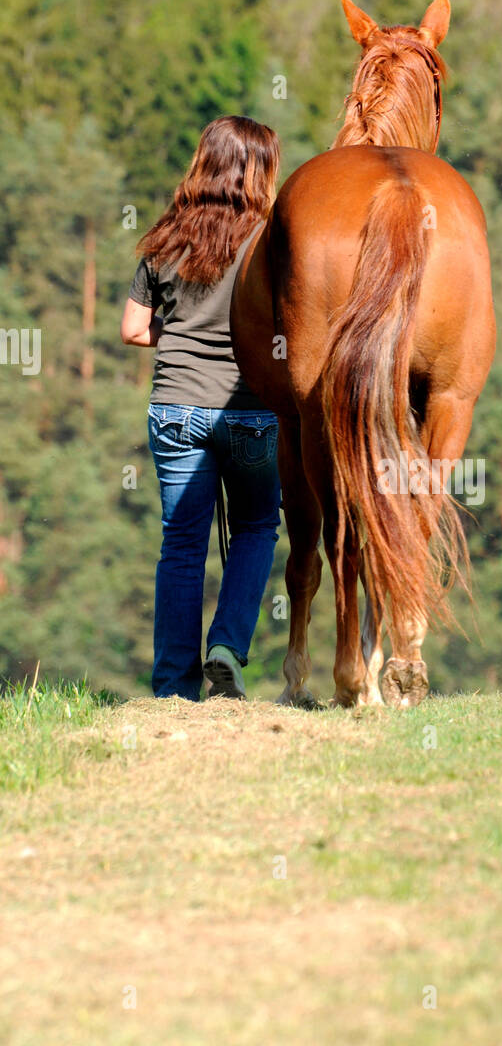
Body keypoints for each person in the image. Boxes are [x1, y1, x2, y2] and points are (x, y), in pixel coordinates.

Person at [121, 115, 281, 701]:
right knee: (258, 526)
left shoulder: (165, 234)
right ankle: (226, 648)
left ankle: (172, 687)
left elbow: (133, 329)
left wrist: (183, 330)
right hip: (250, 413)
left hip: (174, 410)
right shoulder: (271, 238)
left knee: (181, 544)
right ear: (259, 169)